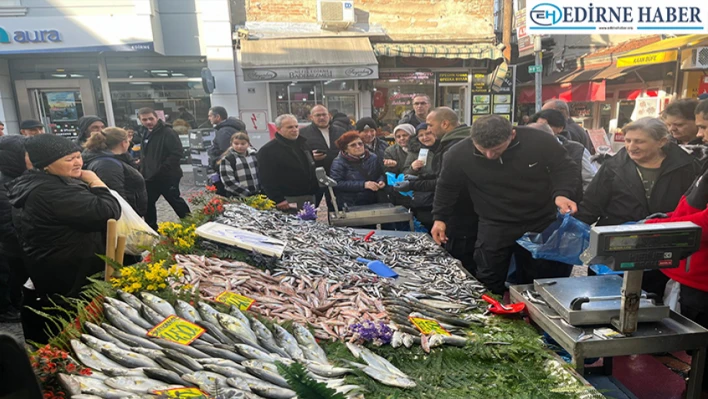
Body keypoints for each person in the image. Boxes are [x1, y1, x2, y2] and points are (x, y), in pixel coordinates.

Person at [432, 115, 578, 294]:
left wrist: (562, 194)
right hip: (494, 221)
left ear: (513, 135)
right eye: (482, 150)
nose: (489, 155)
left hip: (539, 218)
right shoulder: (457, 154)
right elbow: (447, 187)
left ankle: (533, 315)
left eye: (497, 149)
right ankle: (492, 315)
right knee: (488, 274)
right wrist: (440, 218)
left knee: (539, 275)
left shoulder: (540, 141)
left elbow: (565, 167)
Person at [7, 134, 121, 343]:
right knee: (75, 327)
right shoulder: (52, 191)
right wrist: (95, 181)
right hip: (71, 273)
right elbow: (107, 212)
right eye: (69, 159)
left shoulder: (40, 184)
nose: (78, 162)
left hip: (56, 266)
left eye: (78, 156)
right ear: (46, 165)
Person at [411, 107, 478, 274]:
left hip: (461, 214)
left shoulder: (454, 147)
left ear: (445, 124)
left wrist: (414, 185)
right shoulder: (462, 141)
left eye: (430, 125)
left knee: (462, 262)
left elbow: (445, 183)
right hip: (470, 212)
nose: (429, 130)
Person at [138, 107, 191, 230]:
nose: (148, 122)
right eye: (144, 119)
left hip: (167, 175)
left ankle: (191, 224)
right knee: (148, 203)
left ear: (157, 118)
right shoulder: (145, 132)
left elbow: (177, 153)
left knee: (175, 200)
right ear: (140, 121)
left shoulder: (168, 132)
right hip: (149, 176)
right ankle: (152, 229)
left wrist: (163, 169)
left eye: (151, 118)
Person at [257, 114, 319, 211]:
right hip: (287, 199)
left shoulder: (304, 144)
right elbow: (266, 179)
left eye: (296, 126)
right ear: (278, 129)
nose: (294, 129)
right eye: (290, 127)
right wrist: (278, 199)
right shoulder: (267, 151)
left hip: (308, 196)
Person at [82, 127, 148, 217]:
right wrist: (129, 216)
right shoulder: (107, 165)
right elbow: (116, 195)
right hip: (124, 216)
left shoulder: (112, 159)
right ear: (123, 143)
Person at [533, 109, 597, 200]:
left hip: (569, 207)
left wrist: (583, 207)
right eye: (536, 125)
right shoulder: (526, 149)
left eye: (545, 125)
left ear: (560, 128)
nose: (540, 130)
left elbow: (591, 182)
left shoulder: (577, 150)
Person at [0, 136, 28, 323]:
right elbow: (5, 218)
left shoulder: (15, 174)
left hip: (14, 241)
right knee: (7, 275)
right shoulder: (4, 180)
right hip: (8, 244)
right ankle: (5, 308)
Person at [398, 124, 440, 231]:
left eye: (428, 133)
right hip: (424, 199)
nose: (425, 137)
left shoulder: (443, 148)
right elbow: (405, 173)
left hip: (440, 195)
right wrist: (412, 168)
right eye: (421, 135)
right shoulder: (415, 151)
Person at [330, 131, 386, 208]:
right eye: (353, 145)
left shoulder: (373, 157)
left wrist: (381, 181)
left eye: (360, 143)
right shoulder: (339, 162)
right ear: (345, 149)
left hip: (373, 200)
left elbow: (380, 174)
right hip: (351, 203)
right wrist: (363, 185)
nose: (358, 146)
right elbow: (337, 183)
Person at [298, 105, 346, 174]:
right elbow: (298, 154)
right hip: (315, 174)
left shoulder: (341, 131)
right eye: (318, 115)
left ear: (329, 115)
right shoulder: (303, 133)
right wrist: (310, 157)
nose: (322, 117)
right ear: (311, 117)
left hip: (340, 173)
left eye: (324, 114)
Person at [218, 132, 260, 198]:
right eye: (236, 144)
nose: (240, 146)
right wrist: (246, 193)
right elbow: (228, 180)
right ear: (231, 144)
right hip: (237, 197)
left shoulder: (254, 156)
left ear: (248, 144)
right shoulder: (228, 159)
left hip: (257, 195)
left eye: (243, 144)